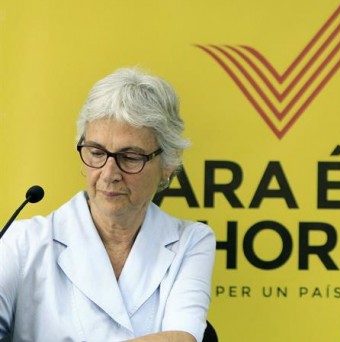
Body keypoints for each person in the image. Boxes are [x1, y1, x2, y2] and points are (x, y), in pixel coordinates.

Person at [0, 68, 216, 341]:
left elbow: (182, 338)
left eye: (130, 156)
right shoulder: (20, 243)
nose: (109, 172)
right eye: (97, 152)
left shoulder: (191, 241)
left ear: (168, 163)